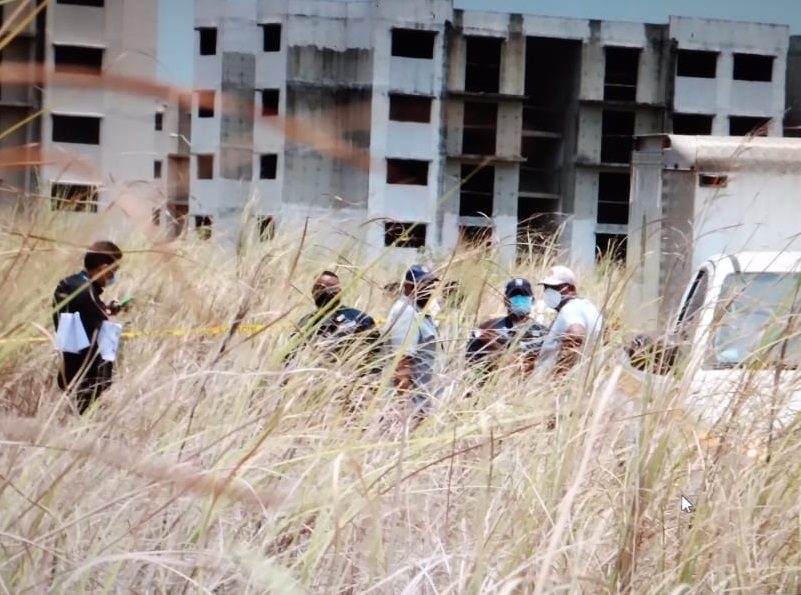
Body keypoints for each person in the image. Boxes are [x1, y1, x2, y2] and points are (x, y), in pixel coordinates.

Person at [53, 240, 125, 414]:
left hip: (71, 366)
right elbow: (100, 331)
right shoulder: (86, 292)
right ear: (103, 268)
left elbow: (81, 318)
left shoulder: (69, 284)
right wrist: (104, 380)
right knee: (85, 416)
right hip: (87, 374)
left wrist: (106, 310)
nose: (113, 277)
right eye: (113, 271)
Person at [287, 270, 380, 368]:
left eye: (330, 287)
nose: (325, 291)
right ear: (313, 290)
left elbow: (376, 353)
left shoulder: (358, 318)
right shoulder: (306, 321)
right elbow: (291, 354)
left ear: (339, 292)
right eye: (319, 287)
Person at [383, 264, 442, 417]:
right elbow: (402, 366)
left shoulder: (420, 312)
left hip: (422, 402)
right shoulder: (406, 313)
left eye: (432, 286)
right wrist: (406, 412)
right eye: (426, 286)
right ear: (409, 287)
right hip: (411, 407)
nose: (430, 291)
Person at [465, 277, 548, 376]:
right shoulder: (489, 328)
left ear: (532, 300)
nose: (519, 299)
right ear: (505, 300)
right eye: (514, 295)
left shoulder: (543, 333)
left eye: (524, 295)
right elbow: (471, 363)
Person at [537, 265, 603, 374]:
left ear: (571, 289)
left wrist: (559, 377)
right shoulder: (590, 307)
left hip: (567, 382)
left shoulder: (569, 310)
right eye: (546, 287)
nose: (549, 292)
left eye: (555, 288)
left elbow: (576, 335)